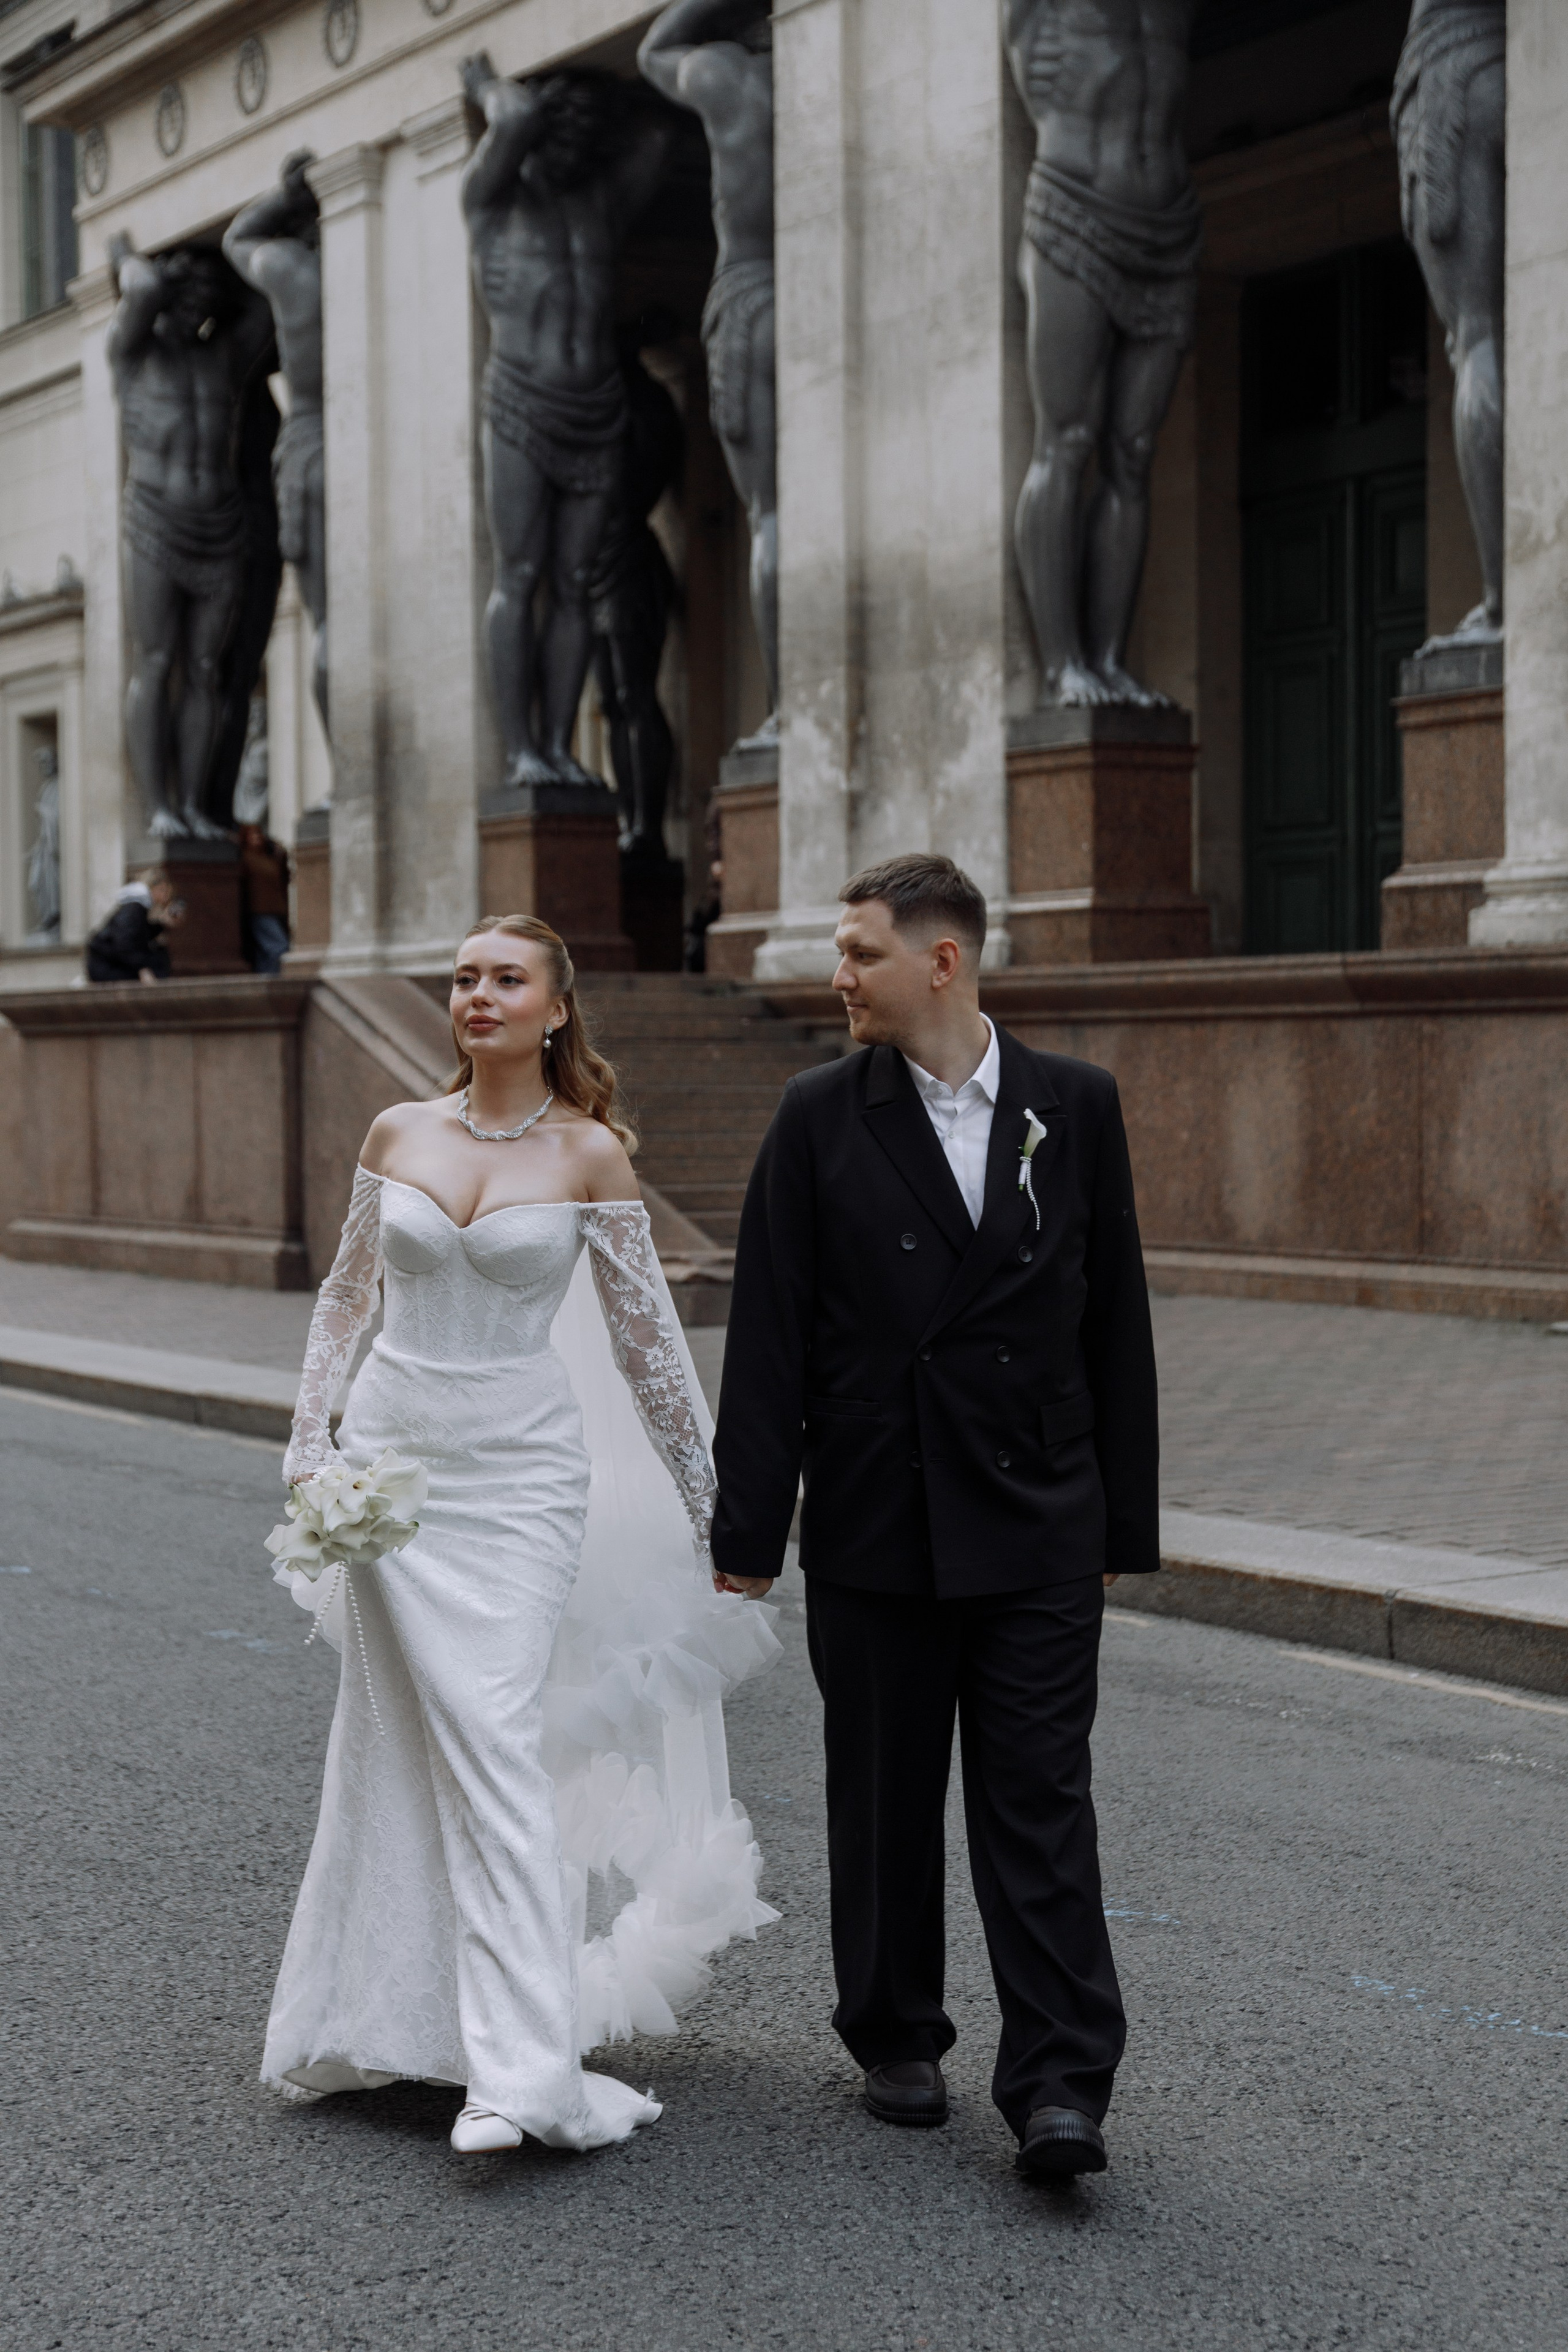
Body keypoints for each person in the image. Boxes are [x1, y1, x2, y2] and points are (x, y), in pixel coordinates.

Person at [265, 915, 778, 2155]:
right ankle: (382, 2019)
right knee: (389, 1744)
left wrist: (724, 1508)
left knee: (492, 1740)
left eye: (505, 979)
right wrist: (307, 1442)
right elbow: (346, 1294)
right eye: (462, 978)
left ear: (554, 1010)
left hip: (519, 1482)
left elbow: (648, 1347)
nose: (476, 995)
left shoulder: (591, 1155)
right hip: (392, 1472)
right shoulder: (400, 1131)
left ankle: (519, 2073)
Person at [711, 852, 1159, 2177]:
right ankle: (894, 2031)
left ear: (940, 961)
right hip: (875, 1513)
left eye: (856, 953)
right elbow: (769, 1336)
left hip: (1034, 1518)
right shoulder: (814, 1116)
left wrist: (1116, 1528)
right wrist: (748, 1531)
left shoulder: (1071, 1106)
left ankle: (1060, 2082)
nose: (834, 977)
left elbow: (1111, 1324)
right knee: (885, 1797)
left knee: (1039, 1799)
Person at [459, 59, 671, 789]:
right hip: (522, 401)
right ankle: (520, 749)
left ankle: (555, 744)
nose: (577, 140)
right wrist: (490, 85)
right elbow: (511, 122)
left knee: (577, 583)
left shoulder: (598, 204)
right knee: (520, 575)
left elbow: (654, 140)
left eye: (589, 128)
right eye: (565, 124)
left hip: (595, 406)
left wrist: (610, 95)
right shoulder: (490, 200)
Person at [1004, 0, 1198, 706]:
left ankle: (1110, 657)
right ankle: (1063, 665)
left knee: (1133, 452)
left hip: (1168, 221)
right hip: (1074, 207)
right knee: (1067, 439)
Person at [639, 0, 778, 737]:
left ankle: (789, 709)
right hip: (838, 293)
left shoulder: (728, 77)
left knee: (774, 514)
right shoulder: (798, 77)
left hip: (752, 295)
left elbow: (654, 49)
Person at [106, 239, 273, 834]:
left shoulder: (221, 358)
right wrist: (125, 255)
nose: (199, 302)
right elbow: (143, 290)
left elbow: (264, 306)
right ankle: (158, 808)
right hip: (155, 519)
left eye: (209, 292)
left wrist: (256, 228)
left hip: (220, 525)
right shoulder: (131, 352)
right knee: (155, 662)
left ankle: (195, 805)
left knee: (204, 668)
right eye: (190, 290)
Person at [224, 154, 329, 728]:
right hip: (363, 440)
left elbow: (238, 237)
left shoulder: (294, 273)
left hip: (310, 445)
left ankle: (346, 788)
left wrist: (286, 196)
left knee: (328, 625)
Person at [85, 876, 183, 984]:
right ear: (153, 889)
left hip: (109, 964)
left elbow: (139, 935)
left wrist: (162, 924)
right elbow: (125, 941)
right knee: (157, 965)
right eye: (163, 890)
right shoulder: (134, 908)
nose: (166, 896)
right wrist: (142, 969)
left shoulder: (136, 908)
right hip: (108, 966)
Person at [238, 823, 291, 974]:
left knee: (266, 952)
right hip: (259, 911)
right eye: (252, 835)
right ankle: (272, 981)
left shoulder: (269, 858)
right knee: (279, 947)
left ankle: (265, 979)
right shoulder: (245, 857)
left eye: (259, 834)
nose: (257, 837)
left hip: (276, 909)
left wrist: (281, 853)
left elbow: (283, 877)